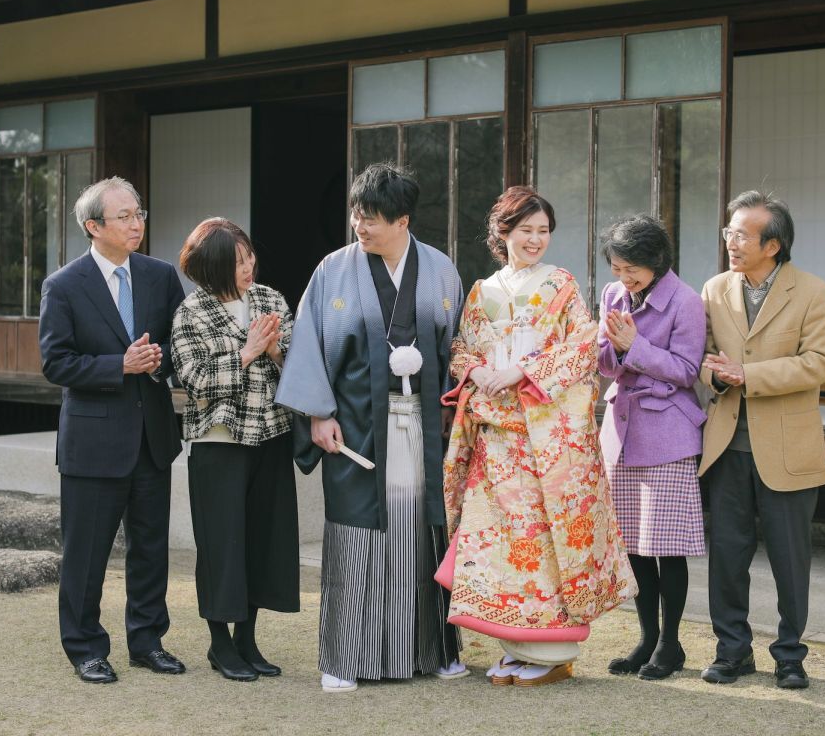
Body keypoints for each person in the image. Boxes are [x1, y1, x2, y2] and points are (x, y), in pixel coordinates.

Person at [275, 163, 467, 693]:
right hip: (357, 428)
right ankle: (344, 658)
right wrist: (317, 412)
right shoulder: (332, 271)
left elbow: (459, 348)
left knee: (422, 535)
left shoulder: (440, 270)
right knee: (357, 538)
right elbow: (311, 344)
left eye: (373, 218)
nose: (360, 226)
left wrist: (457, 405)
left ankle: (431, 650)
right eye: (356, 215)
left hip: (424, 426)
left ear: (402, 219)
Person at [439, 186, 635, 688]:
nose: (535, 240)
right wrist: (479, 371)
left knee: (542, 542)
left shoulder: (561, 285)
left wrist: (523, 372)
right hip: (496, 438)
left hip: (543, 439)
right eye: (525, 230)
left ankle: (550, 649)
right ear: (502, 233)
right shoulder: (482, 291)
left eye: (543, 231)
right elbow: (461, 348)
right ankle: (512, 643)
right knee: (497, 542)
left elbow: (582, 348)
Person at [38, 176, 187, 684]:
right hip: (93, 442)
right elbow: (56, 364)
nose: (136, 223)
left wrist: (158, 362)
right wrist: (118, 365)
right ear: (93, 226)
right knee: (86, 554)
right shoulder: (64, 285)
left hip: (152, 437)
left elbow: (177, 347)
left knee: (150, 549)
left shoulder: (161, 275)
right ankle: (84, 647)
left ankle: (147, 641)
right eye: (123, 216)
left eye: (138, 213)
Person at [698, 190, 825, 690]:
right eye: (728, 233)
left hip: (789, 446)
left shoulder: (814, 291)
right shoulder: (714, 289)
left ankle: (790, 655)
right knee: (728, 557)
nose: (731, 242)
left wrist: (746, 373)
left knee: (789, 558)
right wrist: (715, 376)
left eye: (741, 235)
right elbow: (704, 358)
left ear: (772, 245)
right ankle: (731, 651)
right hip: (728, 443)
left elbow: (818, 363)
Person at [170, 218, 299, 682]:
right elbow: (196, 382)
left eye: (249, 257)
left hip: (271, 435)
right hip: (218, 443)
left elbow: (299, 362)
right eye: (238, 260)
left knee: (261, 541)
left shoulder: (269, 299)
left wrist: (275, 352)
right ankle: (219, 644)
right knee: (222, 544)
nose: (249, 267)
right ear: (213, 267)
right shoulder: (192, 312)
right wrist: (246, 353)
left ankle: (248, 640)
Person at [596, 215, 707, 681]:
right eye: (618, 269)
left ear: (657, 261)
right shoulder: (612, 295)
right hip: (621, 431)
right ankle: (645, 638)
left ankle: (671, 643)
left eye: (632, 269)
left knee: (668, 545)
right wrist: (617, 349)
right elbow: (602, 362)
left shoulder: (687, 302)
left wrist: (634, 345)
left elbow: (686, 370)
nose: (624, 278)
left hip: (669, 434)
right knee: (635, 546)